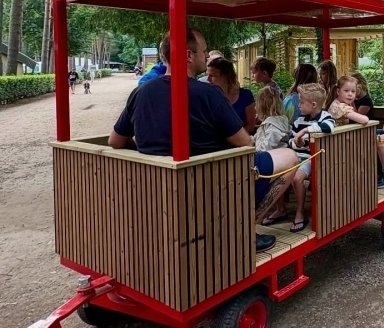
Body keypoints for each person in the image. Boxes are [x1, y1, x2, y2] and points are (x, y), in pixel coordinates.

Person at [107, 28, 296, 252]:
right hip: (215, 184)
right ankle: (243, 228)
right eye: (204, 52)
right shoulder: (208, 93)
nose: (207, 57)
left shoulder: (141, 93)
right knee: (291, 157)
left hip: (159, 191)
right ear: (188, 55)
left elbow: (114, 142)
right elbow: (246, 143)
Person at [287, 83, 335, 233]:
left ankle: (300, 212)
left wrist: (304, 131)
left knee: (296, 178)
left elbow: (328, 127)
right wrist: (296, 141)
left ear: (313, 104)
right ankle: (279, 209)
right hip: (298, 155)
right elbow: (290, 139)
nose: (298, 105)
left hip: (314, 157)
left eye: (301, 102)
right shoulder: (299, 120)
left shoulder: (326, 117)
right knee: (279, 174)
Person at [253, 86, 293, 226]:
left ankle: (275, 209)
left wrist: (253, 148)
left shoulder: (273, 125)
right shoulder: (276, 122)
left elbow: (267, 146)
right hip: (281, 160)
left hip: (277, 161)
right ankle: (279, 209)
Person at [206, 57, 257, 135]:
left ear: (226, 77)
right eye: (207, 75)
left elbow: (250, 125)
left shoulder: (245, 95)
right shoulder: (209, 97)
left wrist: (236, 140)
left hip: (242, 144)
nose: (208, 79)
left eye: (213, 76)